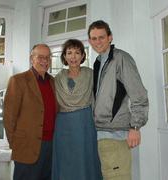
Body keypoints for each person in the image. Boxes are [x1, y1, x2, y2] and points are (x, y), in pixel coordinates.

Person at [88, 20, 149, 180]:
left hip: (115, 135)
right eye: (93, 38)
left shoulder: (121, 58)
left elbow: (139, 94)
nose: (97, 42)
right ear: (89, 41)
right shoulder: (98, 62)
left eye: (101, 37)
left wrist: (136, 127)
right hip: (102, 134)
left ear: (110, 37)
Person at [3, 44, 57, 180]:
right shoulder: (18, 80)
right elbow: (9, 117)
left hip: (51, 147)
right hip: (27, 147)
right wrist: (16, 144)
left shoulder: (54, 82)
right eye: (40, 57)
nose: (44, 60)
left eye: (48, 57)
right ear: (31, 59)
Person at [52, 39, 102, 180]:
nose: (73, 56)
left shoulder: (91, 75)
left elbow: (100, 98)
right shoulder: (57, 78)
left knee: (85, 158)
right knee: (66, 160)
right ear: (64, 56)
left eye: (77, 52)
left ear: (82, 56)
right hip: (63, 125)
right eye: (69, 53)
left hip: (85, 123)